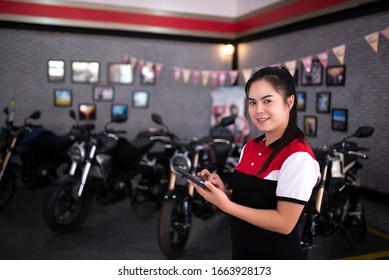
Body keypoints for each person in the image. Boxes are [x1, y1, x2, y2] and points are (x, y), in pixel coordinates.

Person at [191, 66, 320, 260]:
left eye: (267, 101)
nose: (258, 110)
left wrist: (227, 206)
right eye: (252, 102)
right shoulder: (250, 146)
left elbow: (284, 223)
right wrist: (222, 192)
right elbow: (252, 199)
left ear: (289, 102)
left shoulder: (298, 156)